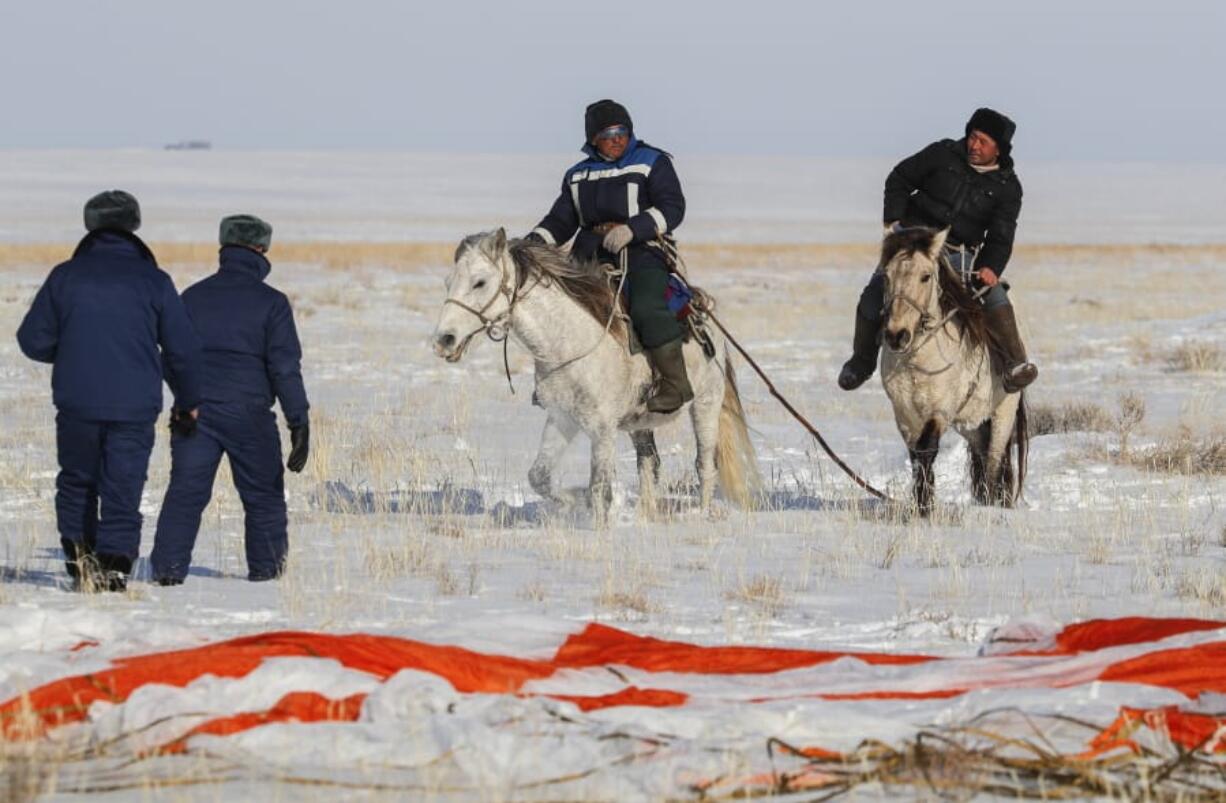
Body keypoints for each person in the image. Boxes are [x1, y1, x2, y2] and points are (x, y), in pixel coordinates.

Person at [17, 190, 203, 592]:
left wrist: (74, 352)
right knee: (124, 483)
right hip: (134, 406)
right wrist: (188, 403)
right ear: (134, 225)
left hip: (77, 401)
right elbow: (183, 351)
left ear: (90, 226)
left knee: (77, 481)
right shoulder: (155, 281)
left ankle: (80, 563)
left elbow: (32, 340)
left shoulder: (65, 276)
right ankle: (114, 568)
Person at [150, 215, 309, 585]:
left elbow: (167, 357)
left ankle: (166, 576)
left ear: (224, 249)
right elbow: (285, 369)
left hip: (192, 413)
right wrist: (298, 421)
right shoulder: (273, 303)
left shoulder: (191, 296)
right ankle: (266, 577)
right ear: (260, 251)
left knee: (184, 495)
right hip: (249, 415)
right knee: (264, 499)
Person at [839, 107, 1037, 393]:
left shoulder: (1008, 188)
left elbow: (1001, 236)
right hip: (912, 244)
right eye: (972, 136)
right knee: (874, 294)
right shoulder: (942, 154)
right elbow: (899, 178)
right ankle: (861, 362)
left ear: (999, 149)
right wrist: (894, 221)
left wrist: (991, 267)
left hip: (957, 252)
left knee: (994, 295)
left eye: (983, 141)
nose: (974, 145)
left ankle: (1014, 364)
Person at [526, 99, 690, 413]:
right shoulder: (577, 175)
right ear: (592, 138)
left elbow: (673, 206)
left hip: (642, 253)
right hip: (588, 256)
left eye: (622, 131)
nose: (616, 139)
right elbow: (562, 220)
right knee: (559, 312)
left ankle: (674, 384)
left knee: (646, 307)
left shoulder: (651, 161)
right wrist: (533, 244)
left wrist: (634, 228)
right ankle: (554, 382)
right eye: (607, 133)